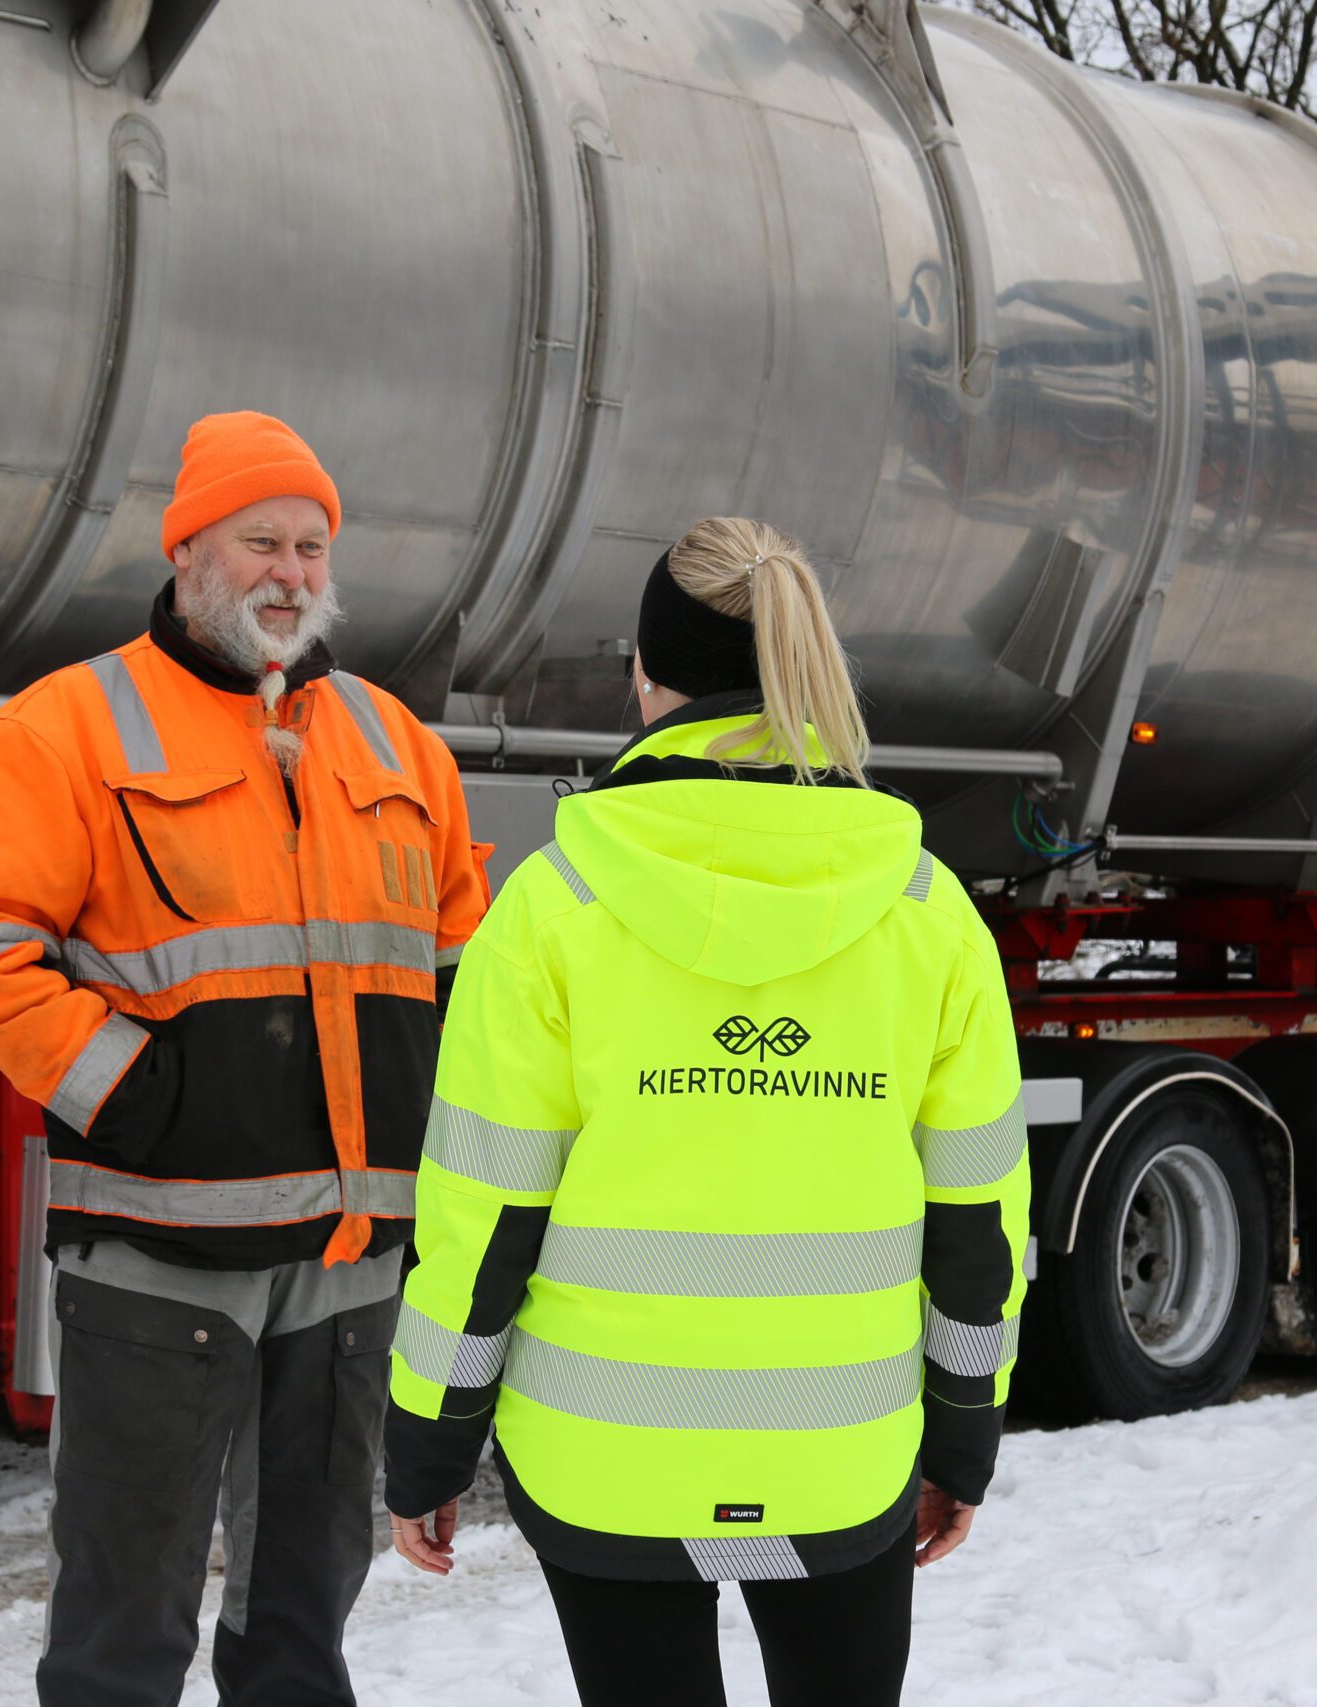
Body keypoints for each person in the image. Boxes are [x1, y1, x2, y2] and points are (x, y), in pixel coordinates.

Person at [381, 517, 1029, 1707]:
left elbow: (481, 1224)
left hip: (604, 1461)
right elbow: (975, 1228)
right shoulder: (929, 916)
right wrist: (960, 1437)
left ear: (645, 674)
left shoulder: (551, 910)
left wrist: (431, 1442)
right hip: (841, 1458)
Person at [0, 410, 492, 1706]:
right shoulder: (64, 729)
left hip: (351, 1261)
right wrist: (139, 1096)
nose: (290, 572)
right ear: (186, 552)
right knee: (124, 1621)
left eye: (310, 545)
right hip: (158, 1252)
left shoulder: (398, 742)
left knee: (303, 1619)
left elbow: (467, 972)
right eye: (259, 542)